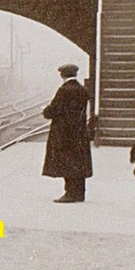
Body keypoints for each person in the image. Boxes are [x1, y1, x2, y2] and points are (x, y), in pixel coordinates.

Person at [41, 64, 92, 203]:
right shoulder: (82, 90)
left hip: (64, 132)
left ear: (62, 75)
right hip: (79, 131)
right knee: (79, 161)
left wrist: (45, 110)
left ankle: (69, 193)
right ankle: (80, 193)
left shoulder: (63, 90)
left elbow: (52, 111)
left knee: (67, 161)